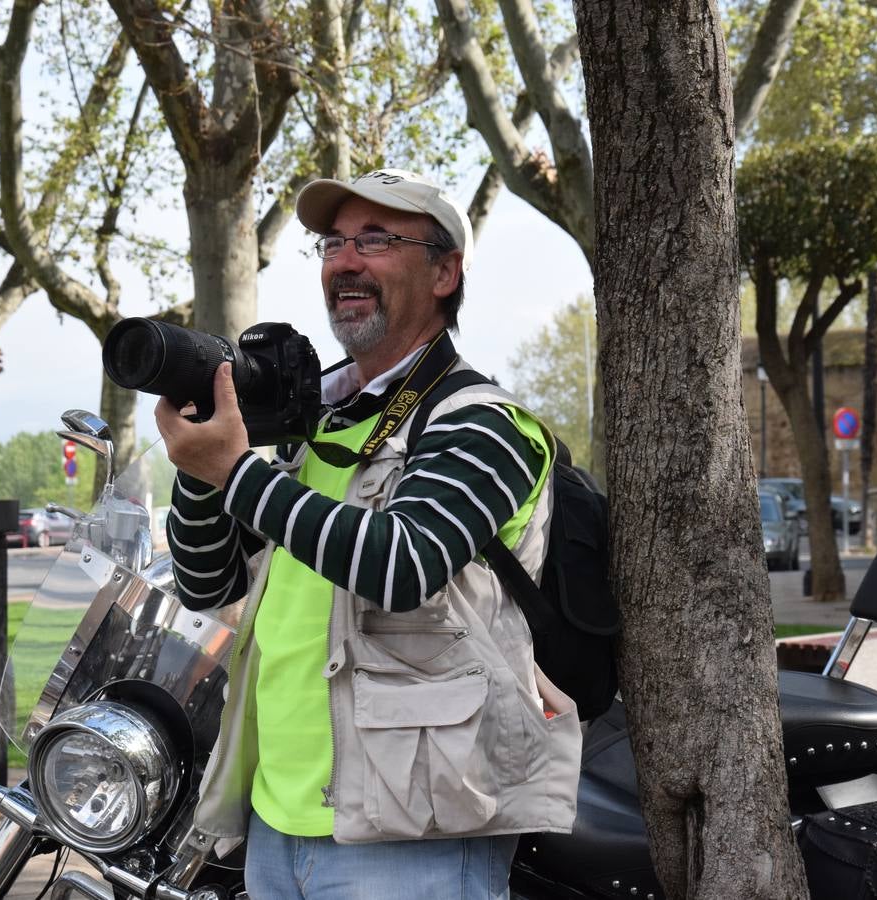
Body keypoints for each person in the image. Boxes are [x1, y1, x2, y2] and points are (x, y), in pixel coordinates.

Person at [155, 168, 581, 899]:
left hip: (416, 831)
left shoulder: (483, 423)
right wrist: (200, 465)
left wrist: (235, 473)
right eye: (331, 244)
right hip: (277, 819)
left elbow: (402, 564)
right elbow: (207, 584)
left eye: (376, 240)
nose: (345, 262)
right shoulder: (319, 424)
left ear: (445, 271)